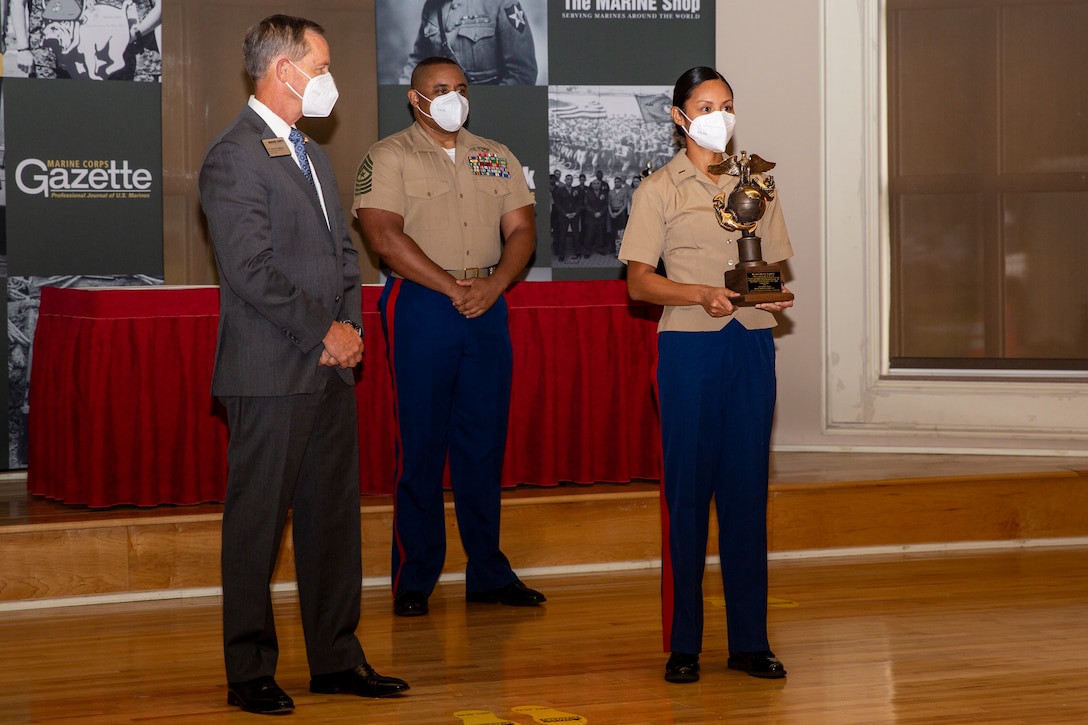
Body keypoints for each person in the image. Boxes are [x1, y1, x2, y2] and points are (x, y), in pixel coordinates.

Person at [198, 14, 409, 714]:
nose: (328, 80)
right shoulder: (234, 156)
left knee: (331, 520)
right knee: (257, 523)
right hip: (269, 371)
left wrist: (346, 329)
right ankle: (250, 668)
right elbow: (250, 270)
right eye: (319, 67)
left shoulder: (311, 154)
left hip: (328, 365)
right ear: (282, 71)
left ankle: (336, 658)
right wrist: (324, 330)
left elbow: (344, 256)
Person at [618, 66, 794, 685]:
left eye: (727, 103)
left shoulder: (760, 180)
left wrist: (771, 294)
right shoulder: (659, 188)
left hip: (749, 346)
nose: (719, 114)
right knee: (688, 496)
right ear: (679, 117)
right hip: (689, 347)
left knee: (747, 495)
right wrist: (699, 293)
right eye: (705, 105)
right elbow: (640, 281)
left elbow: (770, 267)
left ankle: (750, 641)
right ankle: (684, 644)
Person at [354, 55, 545, 618]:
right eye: (440, 89)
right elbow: (384, 236)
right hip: (421, 305)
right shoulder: (387, 156)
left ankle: (487, 571)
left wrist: (496, 285)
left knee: (483, 443)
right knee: (421, 442)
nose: (453, 97)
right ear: (416, 98)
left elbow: (523, 228)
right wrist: (451, 287)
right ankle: (415, 576)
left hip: (488, 303)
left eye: (461, 88)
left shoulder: (495, 155)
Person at [398, 0, 537, 85]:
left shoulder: (502, 3)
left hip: (492, 108)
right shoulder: (431, 6)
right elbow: (418, 60)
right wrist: (402, 90)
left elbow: (522, 73)